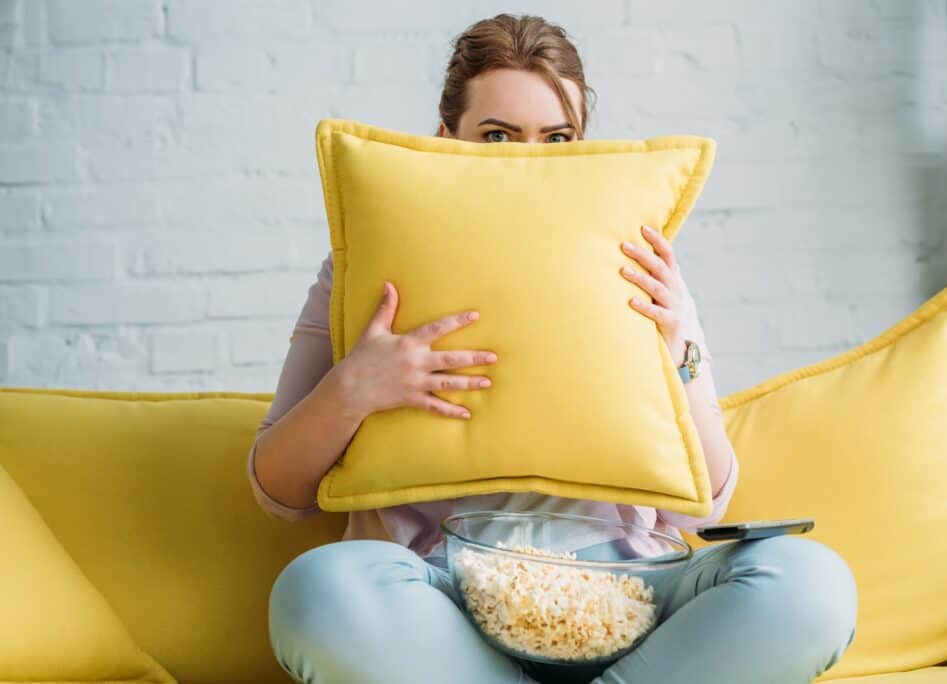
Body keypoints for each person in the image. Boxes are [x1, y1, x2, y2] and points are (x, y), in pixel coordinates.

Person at [248, 13, 858, 684]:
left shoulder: (639, 263)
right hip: (442, 604)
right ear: (445, 140)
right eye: (498, 135)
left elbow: (706, 502)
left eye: (556, 137)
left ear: (582, 147)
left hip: (630, 598)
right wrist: (354, 389)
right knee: (319, 589)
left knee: (809, 581)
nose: (527, 159)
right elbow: (277, 491)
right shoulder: (362, 265)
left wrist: (679, 343)